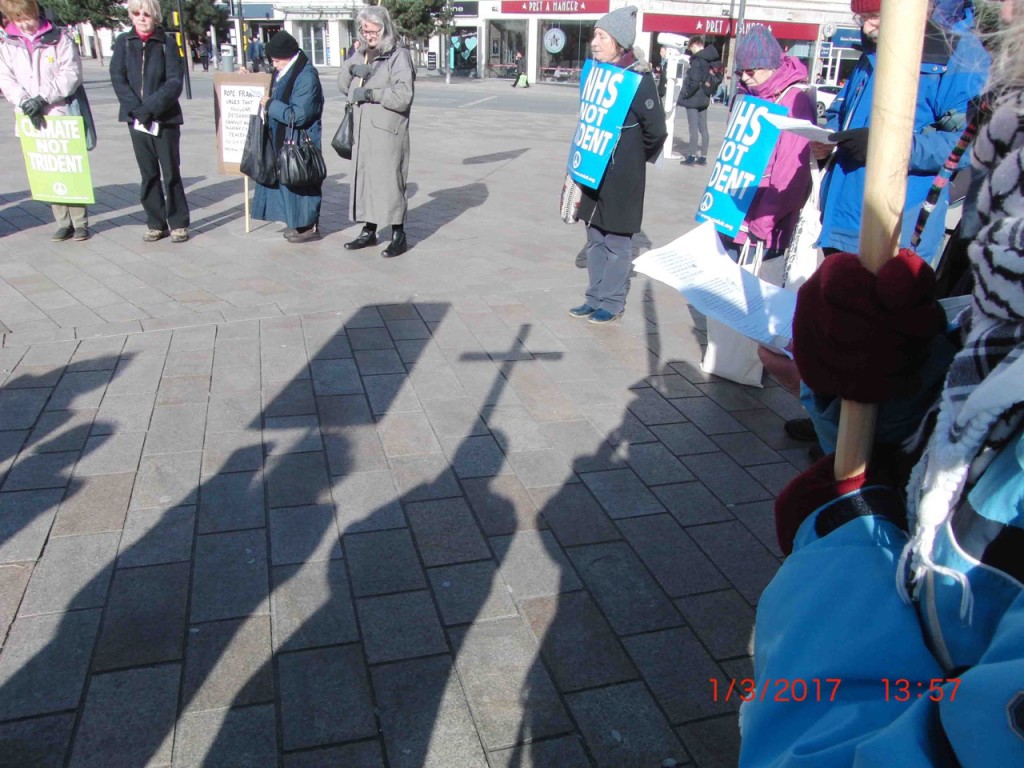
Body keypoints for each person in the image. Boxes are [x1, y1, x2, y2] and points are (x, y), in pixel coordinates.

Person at [739, 5, 1024, 764]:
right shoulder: (1007, 234)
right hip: (852, 221)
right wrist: (888, 398)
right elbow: (974, 407)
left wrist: (849, 527)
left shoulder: (957, 54)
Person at [812, 0, 989, 266]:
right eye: (861, 18)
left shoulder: (959, 54)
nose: (867, 27)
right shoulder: (871, 50)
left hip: (900, 231)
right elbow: (841, 110)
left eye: (874, 16)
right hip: (841, 222)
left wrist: (887, 147)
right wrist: (827, 137)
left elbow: (967, 144)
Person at [568, 6, 667, 325]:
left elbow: (656, 131)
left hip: (623, 174)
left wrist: (631, 157)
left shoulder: (638, 79)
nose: (594, 42)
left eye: (601, 36)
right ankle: (593, 297)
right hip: (593, 168)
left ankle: (611, 302)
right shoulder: (596, 73)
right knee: (595, 236)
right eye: (595, 35)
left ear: (619, 42)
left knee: (617, 241)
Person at [723, 25, 815, 266]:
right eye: (740, 70)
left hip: (763, 222)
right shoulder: (744, 97)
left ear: (771, 65)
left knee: (750, 296)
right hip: (731, 214)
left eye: (751, 70)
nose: (744, 77)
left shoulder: (795, 99)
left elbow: (790, 170)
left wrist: (764, 222)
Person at [0, 0, 91, 241]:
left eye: (27, 17)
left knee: (70, 167)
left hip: (59, 111)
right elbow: (6, 78)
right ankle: (62, 221)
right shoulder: (8, 44)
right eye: (18, 20)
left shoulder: (59, 38)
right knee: (47, 168)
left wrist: (43, 98)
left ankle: (80, 221)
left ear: (36, 13)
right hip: (30, 115)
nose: (25, 25)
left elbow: (71, 72)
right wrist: (24, 101)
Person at [337, 5, 415, 258]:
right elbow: (342, 85)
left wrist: (372, 94)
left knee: (390, 182)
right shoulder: (361, 53)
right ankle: (368, 229)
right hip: (362, 131)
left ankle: (398, 234)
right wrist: (351, 67)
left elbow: (403, 96)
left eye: (372, 30)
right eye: (363, 30)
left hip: (387, 132)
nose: (367, 35)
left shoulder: (398, 55)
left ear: (384, 28)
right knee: (365, 180)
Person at [110, 0, 190, 243]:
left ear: (155, 17)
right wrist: (137, 110)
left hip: (164, 119)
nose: (142, 18)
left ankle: (178, 223)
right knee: (148, 173)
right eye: (137, 13)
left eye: (147, 14)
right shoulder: (124, 42)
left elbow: (175, 81)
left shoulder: (166, 43)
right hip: (136, 120)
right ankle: (156, 223)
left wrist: (151, 108)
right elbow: (118, 78)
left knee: (171, 172)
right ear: (131, 16)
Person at [250, 31, 324, 244]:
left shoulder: (306, 76)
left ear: (288, 56)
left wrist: (271, 106)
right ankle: (296, 222)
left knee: (301, 180)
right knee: (290, 180)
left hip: (301, 139)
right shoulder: (286, 71)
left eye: (276, 60)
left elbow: (299, 114)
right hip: (285, 136)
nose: (274, 65)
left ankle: (308, 225)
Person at [677, 35, 720, 165]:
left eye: (691, 48)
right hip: (705, 97)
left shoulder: (698, 60)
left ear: (695, 45)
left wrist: (685, 94)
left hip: (693, 99)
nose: (691, 51)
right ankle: (703, 157)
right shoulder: (710, 58)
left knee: (693, 128)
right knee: (703, 128)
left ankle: (691, 156)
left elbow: (694, 82)